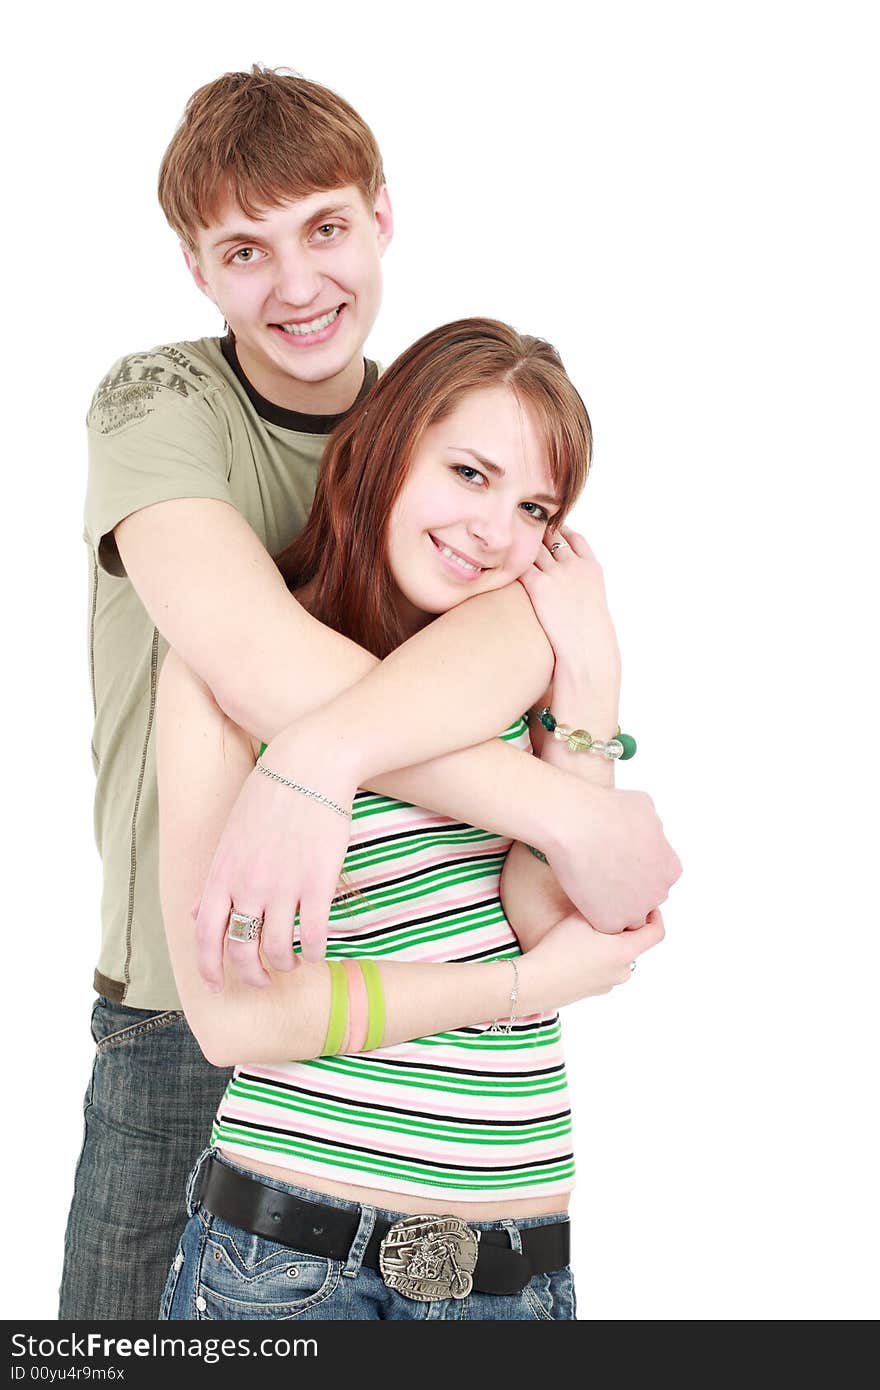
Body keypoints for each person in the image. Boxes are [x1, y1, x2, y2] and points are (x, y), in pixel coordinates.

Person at [66, 65, 680, 1320]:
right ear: (196, 268)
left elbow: (521, 645)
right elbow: (246, 655)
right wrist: (541, 800)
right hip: (182, 996)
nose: (297, 285)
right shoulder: (162, 404)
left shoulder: (463, 451)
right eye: (247, 249)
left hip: (440, 1124)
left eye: (327, 229)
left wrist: (569, 697)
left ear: (382, 218)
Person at [158, 318, 666, 1321]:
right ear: (386, 443)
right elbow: (234, 1021)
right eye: (469, 474)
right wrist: (516, 988)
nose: (494, 531)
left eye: (533, 507)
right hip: (286, 1263)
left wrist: (593, 671)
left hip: (514, 1275)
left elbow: (575, 919)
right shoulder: (225, 671)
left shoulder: (519, 659)